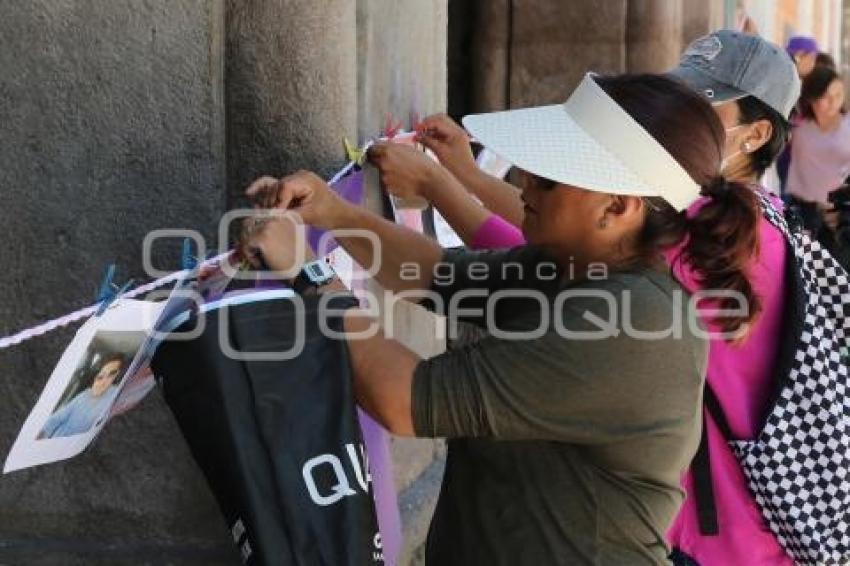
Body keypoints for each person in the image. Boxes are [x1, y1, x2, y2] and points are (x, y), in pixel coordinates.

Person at [240, 72, 763, 565]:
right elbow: (433, 274)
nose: (525, 185)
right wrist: (333, 213)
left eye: (549, 179)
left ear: (617, 207)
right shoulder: (572, 265)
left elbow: (403, 399)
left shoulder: (632, 326)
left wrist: (308, 274)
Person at [370, 30, 801, 565]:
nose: (678, 114)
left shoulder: (725, 247)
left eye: (703, 105)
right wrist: (461, 176)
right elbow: (556, 249)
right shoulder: (682, 219)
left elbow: (558, 254)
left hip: (718, 536)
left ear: (756, 133)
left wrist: (443, 187)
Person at [786, 65, 850, 222]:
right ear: (812, 98)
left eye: (838, 94)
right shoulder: (797, 128)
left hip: (841, 208)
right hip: (803, 209)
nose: (834, 101)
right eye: (826, 96)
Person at [39, 353, 125, 439]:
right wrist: (42, 434)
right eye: (101, 376)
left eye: (111, 375)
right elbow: (58, 417)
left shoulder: (116, 395)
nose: (103, 381)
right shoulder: (84, 395)